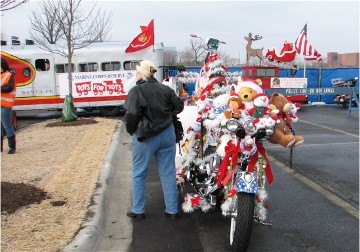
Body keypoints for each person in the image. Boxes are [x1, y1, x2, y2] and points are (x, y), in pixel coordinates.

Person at [124, 60, 184, 220]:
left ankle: (138, 210)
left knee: (139, 173)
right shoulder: (165, 89)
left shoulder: (136, 91)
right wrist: (167, 116)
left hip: (145, 136)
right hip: (167, 133)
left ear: (140, 73)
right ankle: (172, 211)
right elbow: (179, 105)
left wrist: (132, 130)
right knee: (168, 172)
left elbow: (131, 115)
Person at [1, 57, 17, 154]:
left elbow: (9, 88)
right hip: (2, 105)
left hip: (5, 105)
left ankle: (12, 147)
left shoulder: (8, 75)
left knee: (7, 126)